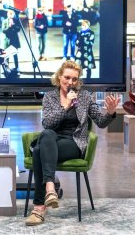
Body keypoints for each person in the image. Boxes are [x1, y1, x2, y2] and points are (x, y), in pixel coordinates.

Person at [25, 61, 120, 226]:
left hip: (74, 143)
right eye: (67, 78)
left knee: (39, 150)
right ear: (59, 77)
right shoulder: (50, 97)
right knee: (46, 136)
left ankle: (40, 206)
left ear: (78, 81)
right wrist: (66, 105)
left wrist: (110, 112)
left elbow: (101, 121)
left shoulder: (85, 97)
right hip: (52, 139)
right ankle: (50, 188)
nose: (70, 82)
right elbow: (47, 123)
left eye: (74, 79)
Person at [2, 10, 21, 74]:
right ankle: (6, 68)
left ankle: (17, 67)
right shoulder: (4, 21)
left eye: (11, 14)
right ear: (7, 15)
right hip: (7, 40)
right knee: (6, 55)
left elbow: (18, 29)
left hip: (14, 40)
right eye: (9, 14)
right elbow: (3, 30)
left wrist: (14, 25)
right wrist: (9, 27)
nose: (10, 16)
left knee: (15, 54)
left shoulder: (16, 20)